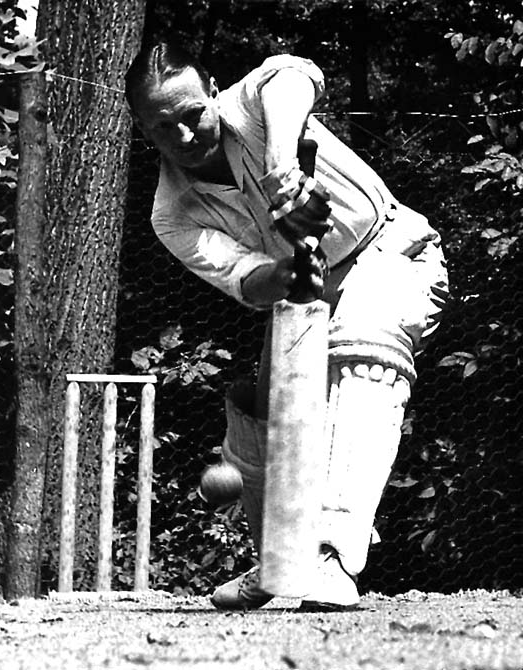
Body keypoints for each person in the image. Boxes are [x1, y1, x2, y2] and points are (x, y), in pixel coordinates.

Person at [125, 40, 449, 611]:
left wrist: (281, 168)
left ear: (213, 91)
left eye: (192, 114)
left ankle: (330, 556)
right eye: (163, 128)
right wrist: (287, 269)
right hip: (304, 292)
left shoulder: (252, 102)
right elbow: (246, 280)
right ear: (142, 130)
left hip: (390, 252)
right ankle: (280, 562)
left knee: (364, 349)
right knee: (259, 414)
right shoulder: (170, 213)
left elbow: (295, 74)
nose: (184, 136)